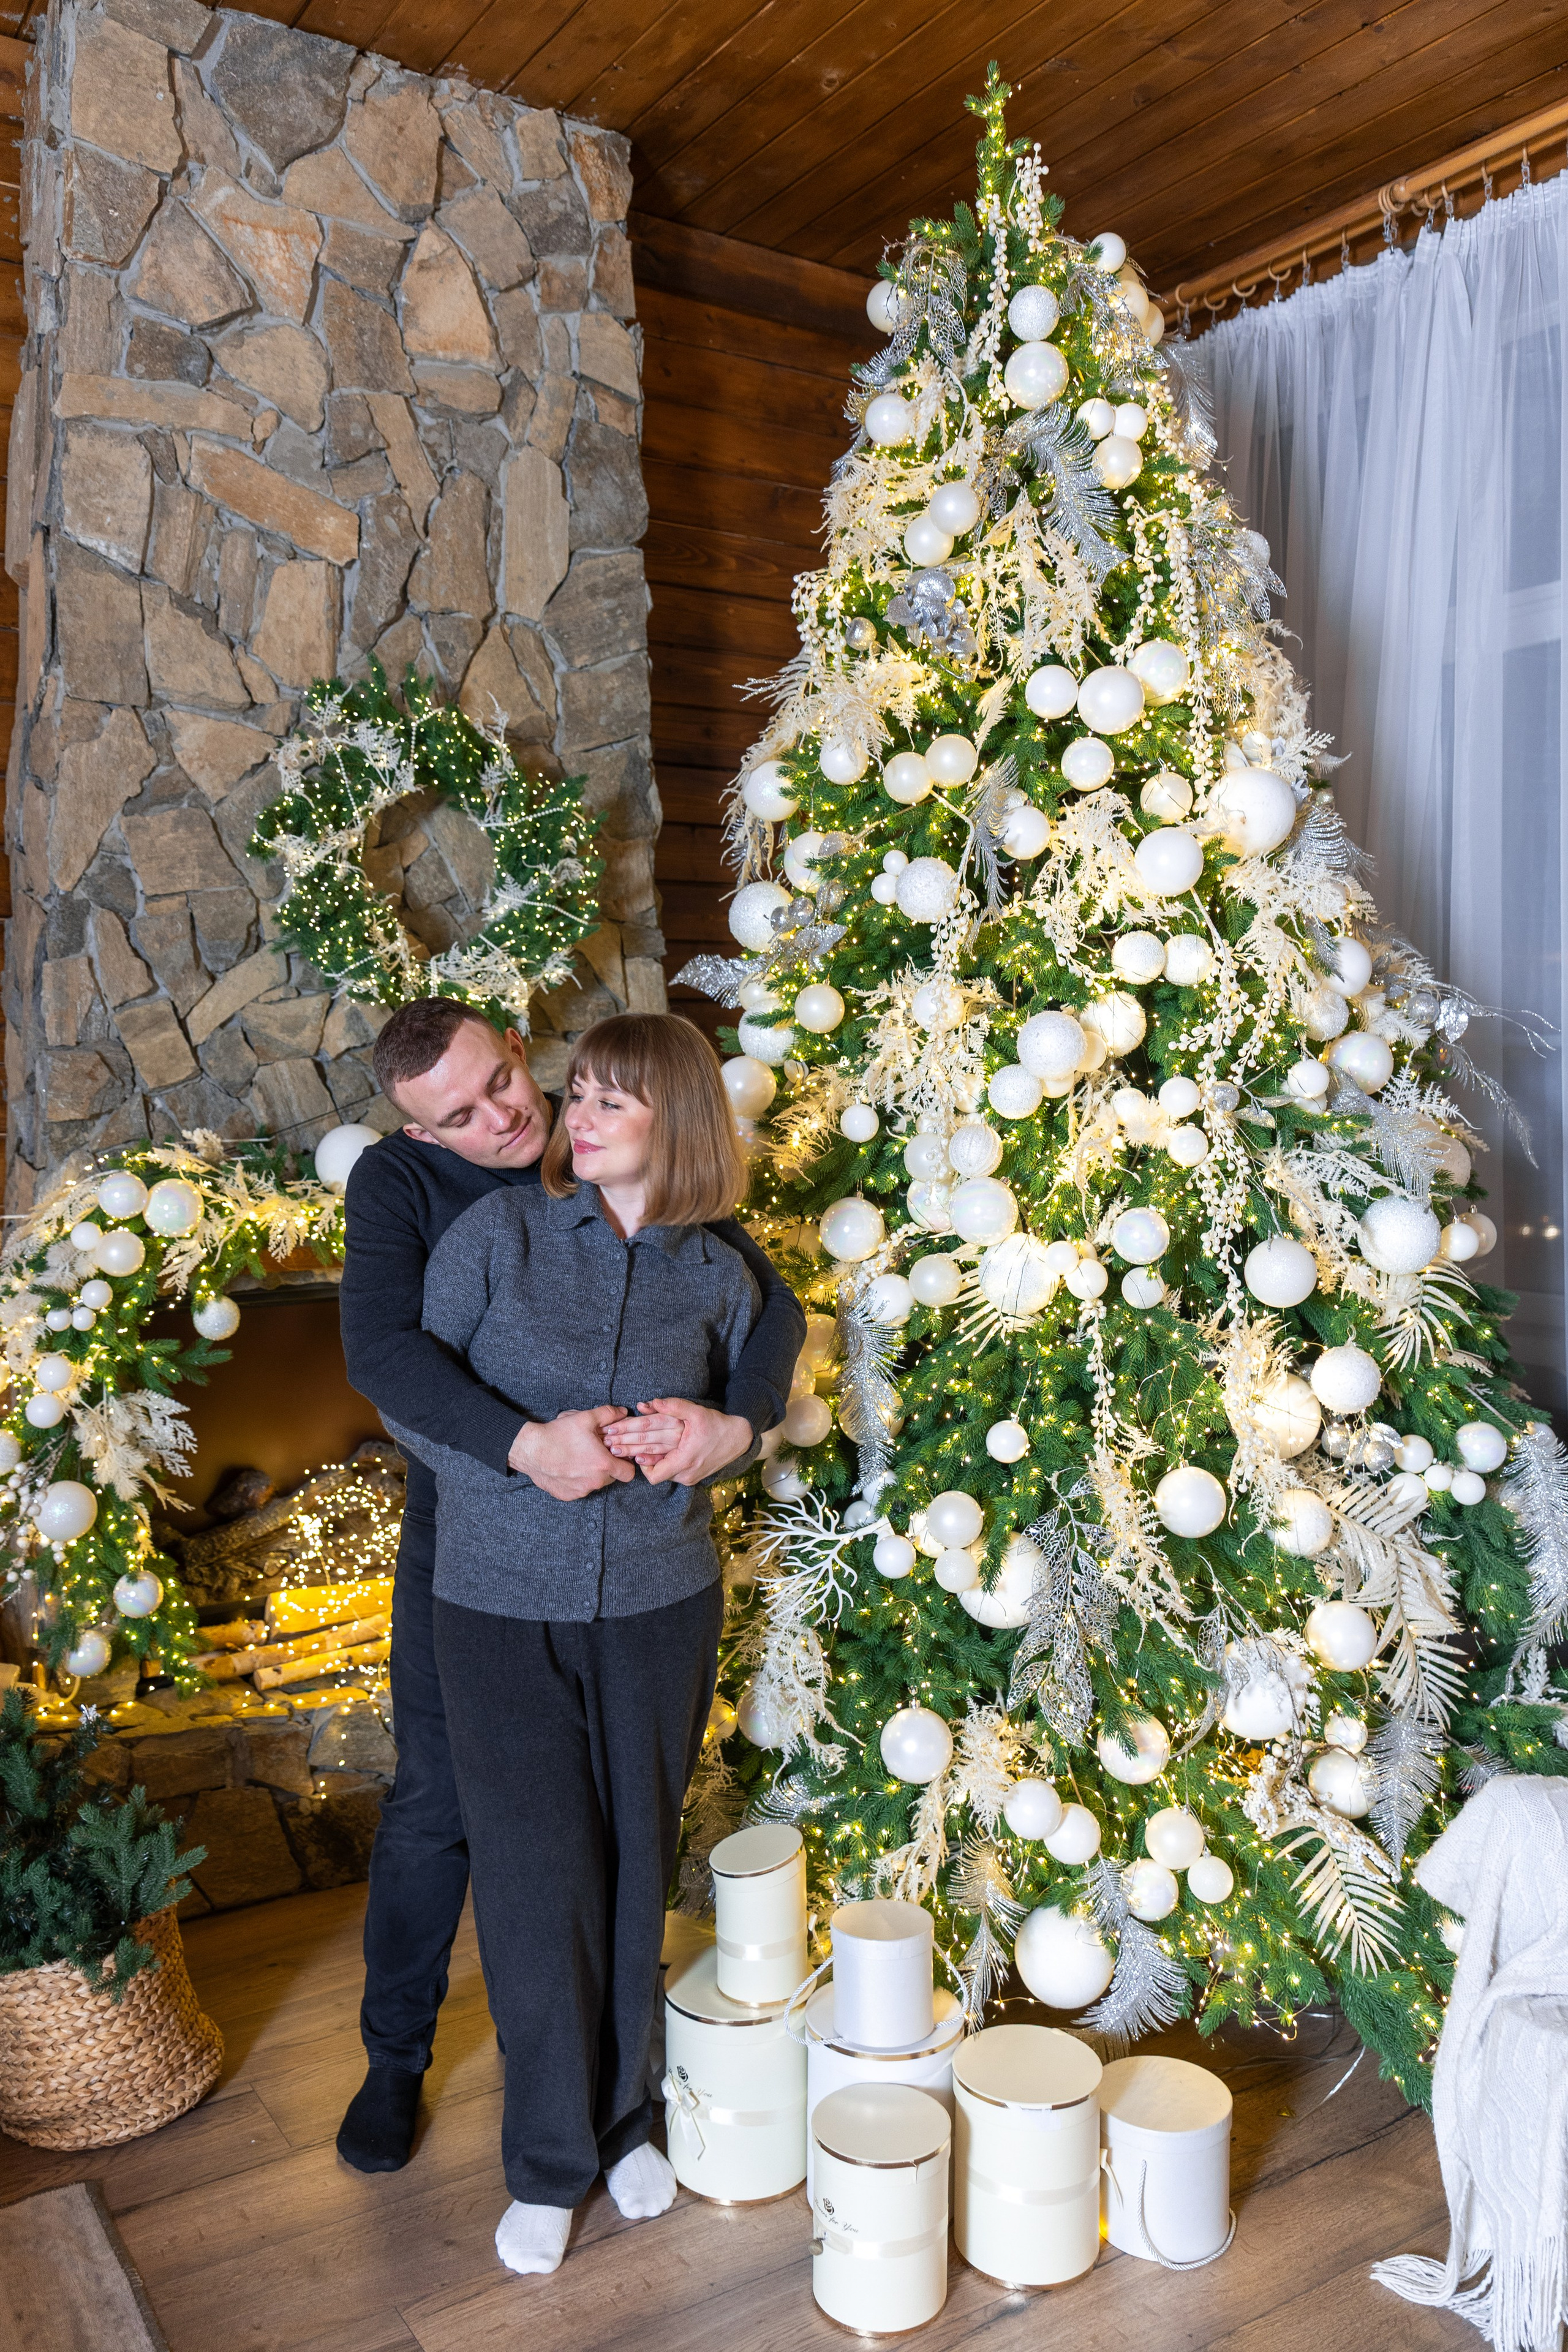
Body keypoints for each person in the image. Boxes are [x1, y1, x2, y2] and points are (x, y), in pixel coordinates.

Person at [334, 999, 805, 2178]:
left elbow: (764, 1298)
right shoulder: (418, 1195)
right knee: (445, 1803)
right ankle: (396, 2061)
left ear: (509, 1043)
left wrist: (737, 1427)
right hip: (471, 1528)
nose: (506, 1116)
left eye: (505, 1083)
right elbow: (388, 1362)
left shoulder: (603, 1149)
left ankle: (616, 2108)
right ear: (422, 1131)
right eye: (463, 1117)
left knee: (618, 1831)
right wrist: (525, 1450)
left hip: (638, 1570)